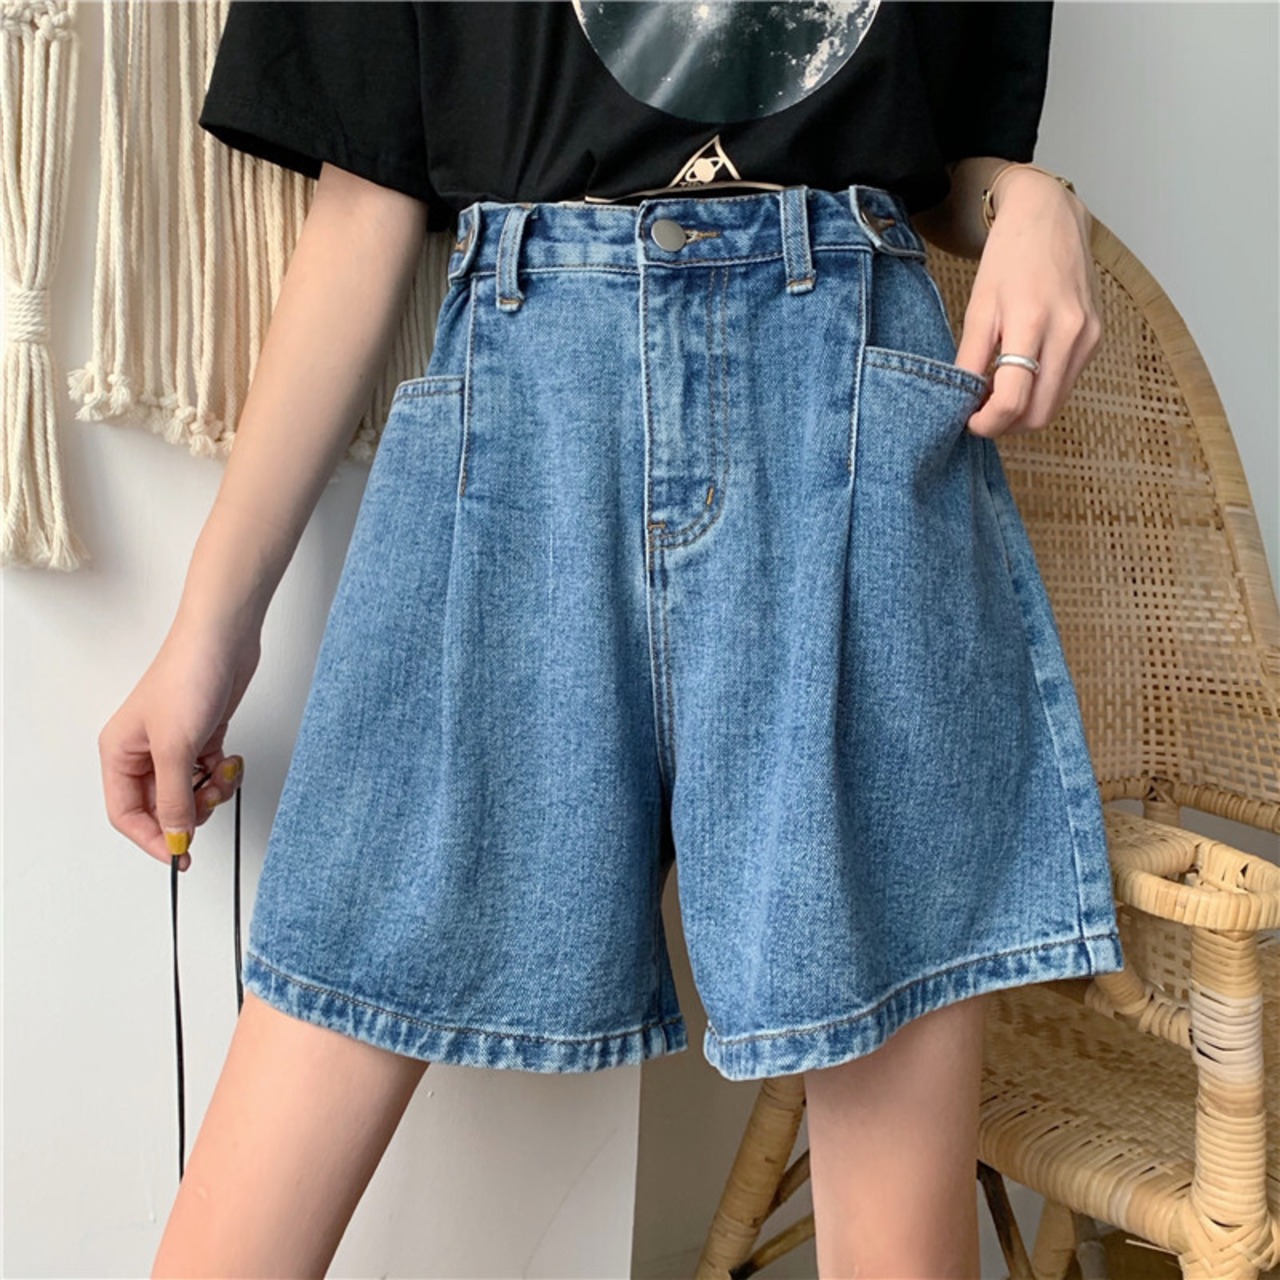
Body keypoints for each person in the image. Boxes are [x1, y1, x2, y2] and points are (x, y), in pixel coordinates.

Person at [97, 2, 1123, 1276]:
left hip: (847, 426)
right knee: (288, 1103)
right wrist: (209, 627)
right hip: (521, 432)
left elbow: (943, 160)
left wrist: (1032, 197)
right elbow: (363, 207)